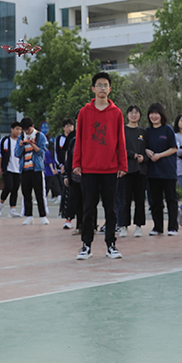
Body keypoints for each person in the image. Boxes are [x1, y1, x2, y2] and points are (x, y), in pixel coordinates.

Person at [72, 72, 128, 260]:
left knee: (111, 209)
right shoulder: (84, 112)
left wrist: (123, 165)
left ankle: (111, 245)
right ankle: (86, 245)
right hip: (89, 169)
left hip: (110, 169)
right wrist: (77, 163)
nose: (102, 88)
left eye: (106, 85)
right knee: (88, 208)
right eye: (99, 85)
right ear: (93, 89)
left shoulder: (117, 113)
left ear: (110, 89)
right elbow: (78, 139)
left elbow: (121, 140)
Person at [144, 103, 179, 236]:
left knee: (171, 199)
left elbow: (174, 148)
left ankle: (173, 227)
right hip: (152, 172)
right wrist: (147, 151)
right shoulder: (147, 131)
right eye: (151, 113)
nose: (154, 116)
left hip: (167, 171)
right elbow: (143, 147)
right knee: (155, 201)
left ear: (161, 115)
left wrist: (159, 155)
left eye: (156, 113)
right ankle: (157, 227)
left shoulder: (167, 129)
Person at [117, 105, 147, 237]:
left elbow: (148, 149)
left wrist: (143, 157)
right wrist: (132, 155)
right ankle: (123, 226)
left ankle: (139, 226)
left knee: (140, 200)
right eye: (131, 112)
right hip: (125, 170)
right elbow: (118, 148)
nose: (134, 115)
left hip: (140, 171)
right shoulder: (122, 130)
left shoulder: (143, 132)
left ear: (140, 115)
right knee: (125, 199)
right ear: (127, 115)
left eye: (136, 112)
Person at [15, 117, 49, 225]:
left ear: (32, 127)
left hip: (36, 169)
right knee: (26, 194)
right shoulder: (20, 137)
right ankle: (29, 216)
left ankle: (43, 216)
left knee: (39, 193)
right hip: (25, 169)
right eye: (24, 130)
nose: (26, 132)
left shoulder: (40, 136)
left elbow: (42, 152)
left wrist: (32, 144)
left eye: (28, 129)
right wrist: (20, 145)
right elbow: (16, 154)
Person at [0, 122, 23, 217]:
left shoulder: (21, 141)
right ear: (12, 129)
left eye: (20, 129)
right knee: (8, 186)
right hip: (8, 168)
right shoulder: (5, 140)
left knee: (15, 189)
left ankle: (12, 209)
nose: (18, 131)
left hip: (18, 169)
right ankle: (1, 204)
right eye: (17, 129)